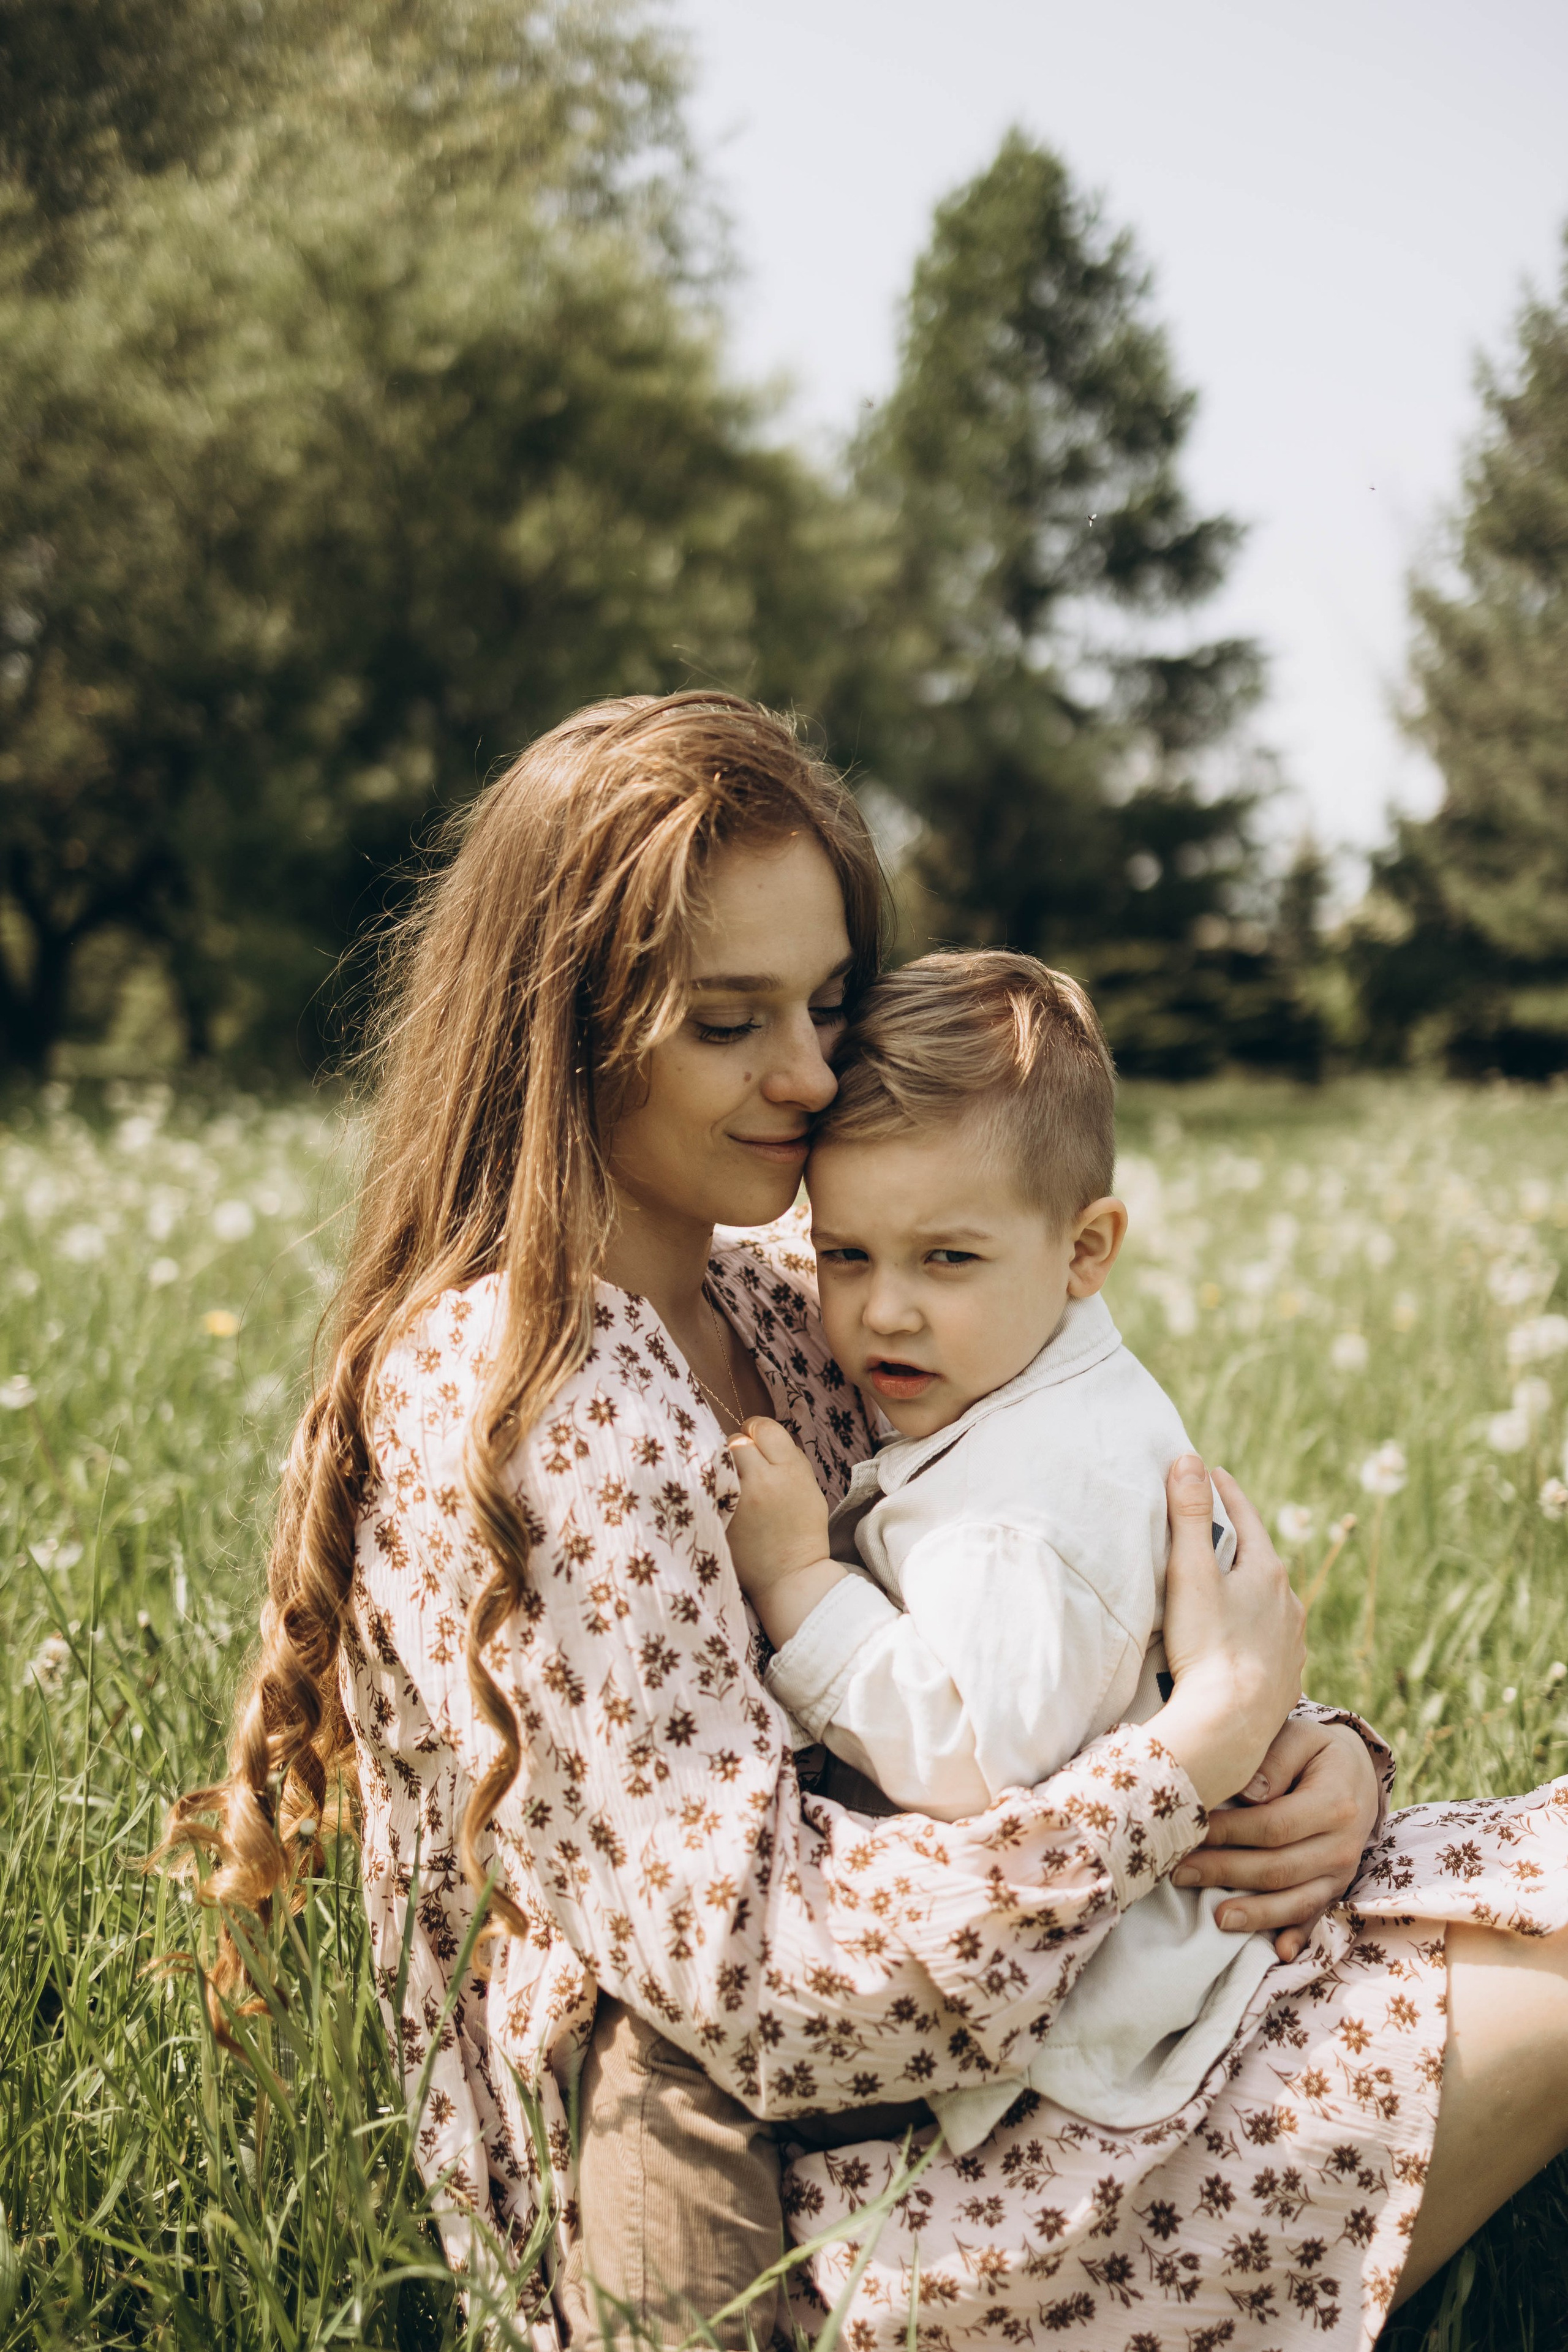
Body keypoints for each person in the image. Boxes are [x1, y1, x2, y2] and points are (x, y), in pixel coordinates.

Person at [166, 692, 1568, 2352]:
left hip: (1016, 2013)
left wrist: (1307, 1767)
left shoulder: (784, 1304)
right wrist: (1201, 1749)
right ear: (566, 1028)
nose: (812, 1073)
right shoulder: (531, 1398)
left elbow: (1045, 1613)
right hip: (802, 2192)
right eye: (728, 1020)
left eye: (829, 1003)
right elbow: (767, 1989)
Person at [725, 946, 1286, 2159]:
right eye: (845, 1255)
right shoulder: (1023, 1376)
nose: (883, 1310)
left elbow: (969, 1750)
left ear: (1085, 1250)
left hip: (1093, 2032)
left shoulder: (1021, 1519)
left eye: (947, 1259)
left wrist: (798, 1587)